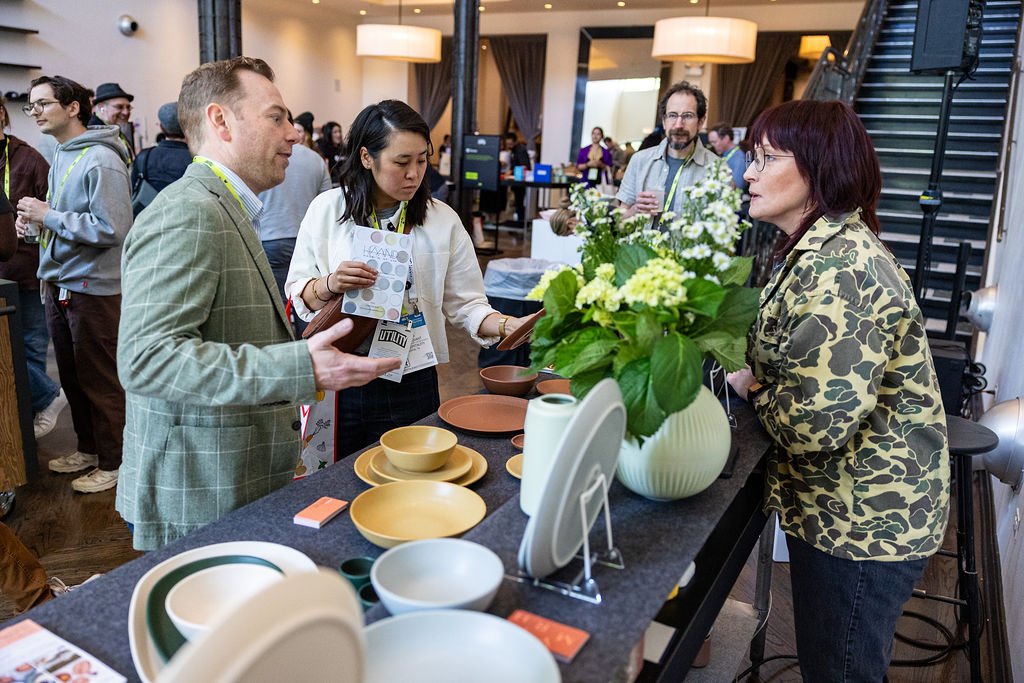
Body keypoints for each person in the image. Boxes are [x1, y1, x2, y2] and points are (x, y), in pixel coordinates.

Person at [115, 57, 398, 551]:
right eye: (276, 117)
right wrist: (300, 366)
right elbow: (147, 360)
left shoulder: (222, 207)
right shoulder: (189, 213)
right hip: (198, 490)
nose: (294, 134)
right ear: (220, 121)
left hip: (226, 477)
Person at [725, 99, 949, 681]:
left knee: (840, 670)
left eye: (766, 158)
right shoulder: (817, 249)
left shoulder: (842, 270)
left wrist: (750, 387)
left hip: (864, 519)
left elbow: (815, 424)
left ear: (818, 168)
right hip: (839, 507)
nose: (748, 174)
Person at [286, 99, 528, 456]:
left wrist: (508, 325)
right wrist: (330, 284)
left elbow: (467, 304)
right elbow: (299, 295)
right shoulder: (327, 210)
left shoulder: (441, 219)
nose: (415, 174)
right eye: (402, 162)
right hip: (342, 372)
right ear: (366, 157)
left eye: (422, 160)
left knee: (412, 472)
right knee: (336, 477)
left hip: (412, 375)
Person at [16, 75, 132, 495]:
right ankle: (89, 448)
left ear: (72, 107)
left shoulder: (100, 159)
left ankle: (116, 461)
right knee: (73, 376)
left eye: (43, 103)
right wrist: (35, 228)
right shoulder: (63, 154)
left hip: (92, 286)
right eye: (31, 106)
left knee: (100, 379)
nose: (35, 113)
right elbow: (66, 218)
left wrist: (48, 216)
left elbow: (113, 228)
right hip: (60, 281)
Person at [0, 95, 66, 444]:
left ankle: (30, 429)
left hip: (26, 272)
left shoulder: (28, 158)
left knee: (29, 349)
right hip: (3, 275)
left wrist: (34, 222)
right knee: (9, 352)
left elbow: (54, 208)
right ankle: (30, 417)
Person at [258, 123, 332, 326]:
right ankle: (308, 343)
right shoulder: (315, 159)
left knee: (278, 305)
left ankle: (286, 343)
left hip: (270, 238)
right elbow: (327, 203)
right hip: (307, 241)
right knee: (305, 302)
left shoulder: (263, 157)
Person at [616, 81, 717, 219]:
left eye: (688, 116)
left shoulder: (717, 169)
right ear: (664, 121)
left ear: (700, 122)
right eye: (672, 115)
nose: (679, 124)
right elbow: (620, 221)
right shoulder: (639, 161)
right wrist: (635, 210)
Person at [130, 102, 191, 216]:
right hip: (186, 218)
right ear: (188, 125)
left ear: (161, 127)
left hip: (151, 220)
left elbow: (131, 190)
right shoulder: (198, 159)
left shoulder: (144, 156)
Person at [89, 82, 135, 162]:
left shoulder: (113, 130)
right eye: (119, 107)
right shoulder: (94, 134)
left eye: (128, 107)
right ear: (101, 107)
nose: (126, 112)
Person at [707, 123, 748, 191]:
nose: (712, 146)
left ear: (726, 139)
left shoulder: (738, 158)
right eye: (711, 143)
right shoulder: (725, 154)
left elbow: (737, 186)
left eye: (714, 142)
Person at [504, 132, 530, 224]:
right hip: (516, 180)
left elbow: (524, 165)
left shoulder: (521, 150)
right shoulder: (514, 150)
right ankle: (519, 221)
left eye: (510, 144)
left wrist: (511, 171)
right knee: (518, 202)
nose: (509, 146)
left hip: (521, 181)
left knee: (519, 202)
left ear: (515, 142)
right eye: (507, 144)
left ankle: (520, 222)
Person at [317, 120, 345, 186]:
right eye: (335, 132)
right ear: (329, 134)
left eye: (339, 131)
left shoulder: (344, 149)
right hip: (330, 184)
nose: (339, 135)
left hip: (344, 183)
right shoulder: (322, 150)